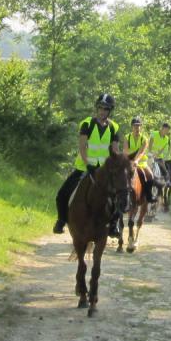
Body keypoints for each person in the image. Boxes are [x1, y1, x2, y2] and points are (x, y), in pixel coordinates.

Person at [54, 93, 122, 237]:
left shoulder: (113, 127)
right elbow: (82, 146)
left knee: (120, 194)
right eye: (100, 108)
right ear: (97, 108)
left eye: (105, 109)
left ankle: (114, 225)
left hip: (104, 170)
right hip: (85, 167)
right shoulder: (88, 124)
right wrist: (88, 164)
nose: (102, 111)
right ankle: (61, 220)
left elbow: (115, 150)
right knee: (62, 194)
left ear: (110, 111)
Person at [126, 116, 156, 203]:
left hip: (141, 163)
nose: (137, 128)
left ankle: (149, 196)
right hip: (129, 162)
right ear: (132, 127)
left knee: (150, 175)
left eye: (139, 126)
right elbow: (125, 150)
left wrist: (136, 161)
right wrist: (131, 161)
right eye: (135, 126)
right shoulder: (126, 137)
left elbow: (142, 152)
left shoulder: (145, 139)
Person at [149, 121, 171, 200]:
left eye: (168, 131)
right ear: (162, 128)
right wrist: (151, 153)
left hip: (159, 157)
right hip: (150, 155)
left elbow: (162, 149)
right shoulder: (154, 133)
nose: (167, 132)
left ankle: (167, 182)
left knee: (165, 171)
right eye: (166, 130)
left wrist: (158, 155)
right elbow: (150, 144)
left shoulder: (166, 138)